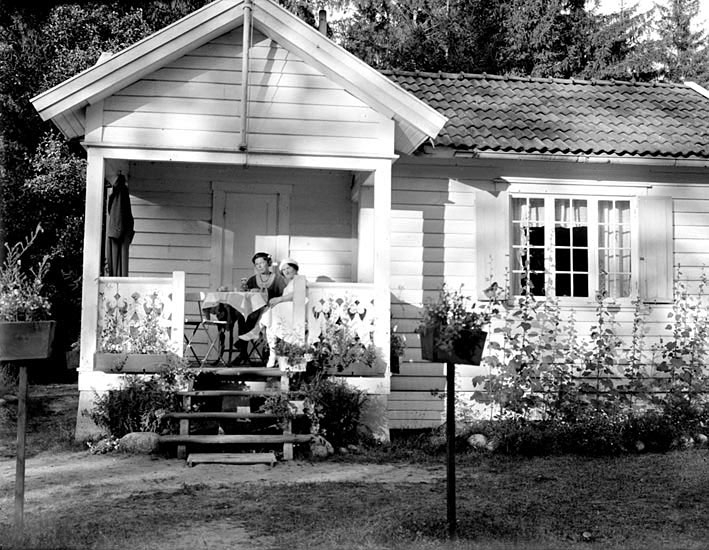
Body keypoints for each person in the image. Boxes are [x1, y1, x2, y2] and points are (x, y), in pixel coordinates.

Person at [232, 252, 286, 363]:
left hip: (272, 313)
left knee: (262, 318)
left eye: (262, 263)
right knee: (242, 316)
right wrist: (246, 292)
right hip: (254, 312)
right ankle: (243, 353)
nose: (259, 266)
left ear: (268, 263)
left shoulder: (278, 279)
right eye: (257, 264)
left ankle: (266, 354)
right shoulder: (252, 280)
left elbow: (283, 297)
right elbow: (246, 298)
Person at [259, 258, 304, 367]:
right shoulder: (290, 283)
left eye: (288, 268)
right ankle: (272, 354)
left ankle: (273, 355)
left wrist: (279, 299)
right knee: (270, 322)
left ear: (295, 268)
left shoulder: (300, 279)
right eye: (283, 270)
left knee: (270, 317)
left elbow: (298, 294)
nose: (286, 271)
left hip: (296, 311)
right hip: (287, 311)